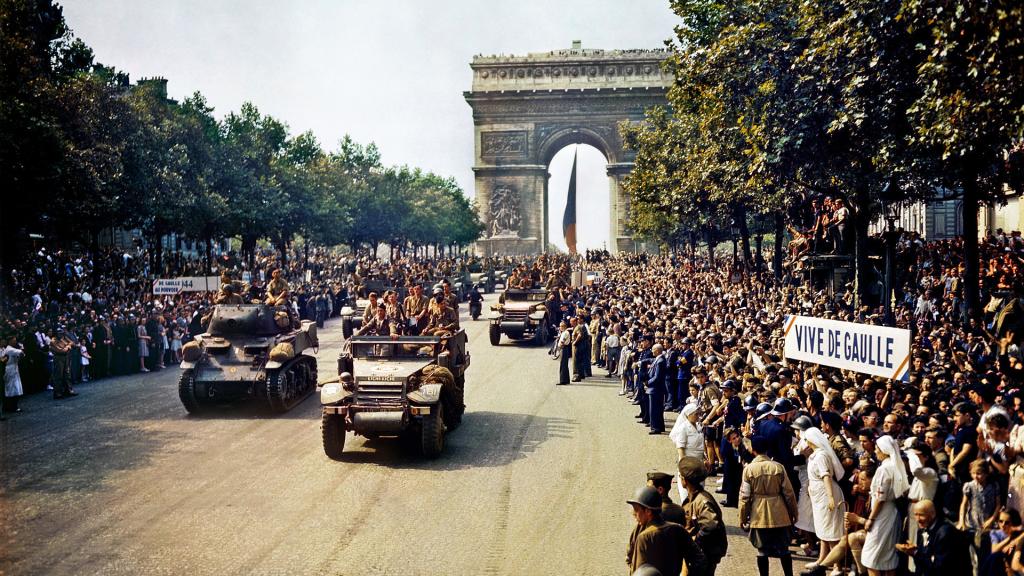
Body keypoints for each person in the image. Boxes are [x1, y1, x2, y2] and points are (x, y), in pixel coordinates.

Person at [740, 435, 799, 576]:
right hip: (780, 513)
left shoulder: (748, 470)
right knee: (784, 549)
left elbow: (744, 497)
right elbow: (789, 494)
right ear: (767, 449)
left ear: (753, 450)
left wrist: (742, 517)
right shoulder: (778, 467)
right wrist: (794, 512)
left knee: (762, 551)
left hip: (758, 514)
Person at [626, 485, 709, 576]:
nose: (633, 513)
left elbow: (638, 571)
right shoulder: (678, 529)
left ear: (648, 512)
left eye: (636, 510)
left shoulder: (644, 537)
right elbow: (699, 560)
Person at [800, 427, 847, 576]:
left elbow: (826, 476)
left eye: (806, 439)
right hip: (818, 497)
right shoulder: (814, 455)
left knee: (831, 531)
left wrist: (831, 497)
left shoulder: (821, 456)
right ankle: (822, 560)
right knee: (822, 529)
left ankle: (837, 566)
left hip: (826, 495)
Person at [861, 435, 910, 576]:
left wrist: (871, 518)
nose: (876, 451)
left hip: (882, 515)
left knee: (872, 557)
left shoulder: (884, 469)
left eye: (877, 448)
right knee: (887, 556)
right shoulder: (894, 466)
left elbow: (880, 498)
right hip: (891, 513)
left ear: (884, 450)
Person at [679, 456, 728, 575]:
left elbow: (710, 525)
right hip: (702, 552)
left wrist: (695, 540)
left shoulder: (702, 501)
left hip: (705, 553)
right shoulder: (694, 497)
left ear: (685, 480)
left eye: (680, 476)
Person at [895, 499, 970, 576]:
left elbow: (940, 566)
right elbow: (921, 565)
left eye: (921, 515)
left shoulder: (945, 533)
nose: (918, 519)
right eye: (916, 515)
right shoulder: (921, 531)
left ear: (932, 514)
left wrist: (915, 553)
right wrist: (914, 551)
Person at [647, 343, 667, 435]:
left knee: (654, 409)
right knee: (657, 408)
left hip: (656, 388)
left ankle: (656, 427)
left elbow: (657, 377)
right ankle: (660, 426)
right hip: (656, 388)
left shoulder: (660, 361)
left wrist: (648, 382)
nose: (652, 351)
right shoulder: (658, 359)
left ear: (657, 350)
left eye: (653, 349)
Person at [2, 334, 25, 413]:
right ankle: (12, 407)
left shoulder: (10, 349)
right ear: (10, 341)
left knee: (14, 388)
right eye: (14, 340)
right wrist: (21, 348)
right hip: (10, 369)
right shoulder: (9, 349)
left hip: (14, 368)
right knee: (11, 388)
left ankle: (11, 406)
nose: (15, 342)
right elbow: (21, 353)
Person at [556, 320, 571, 385]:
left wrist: (560, 348)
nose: (560, 327)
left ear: (564, 326)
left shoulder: (565, 333)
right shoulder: (564, 332)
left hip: (564, 348)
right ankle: (566, 380)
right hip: (564, 348)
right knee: (565, 364)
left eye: (561, 326)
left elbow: (562, 341)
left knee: (563, 365)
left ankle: (563, 380)